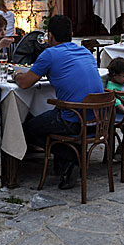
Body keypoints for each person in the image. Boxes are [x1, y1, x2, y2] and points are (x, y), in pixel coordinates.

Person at [14, 15, 105, 190]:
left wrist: (16, 75)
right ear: (71, 34)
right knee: (51, 116)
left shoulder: (49, 54)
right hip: (97, 118)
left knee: (27, 129)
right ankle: (69, 158)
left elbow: (25, 83)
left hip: (74, 119)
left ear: (50, 36)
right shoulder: (85, 51)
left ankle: (72, 157)